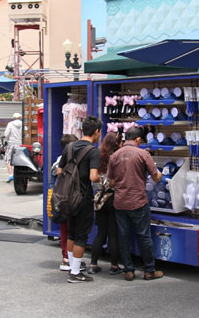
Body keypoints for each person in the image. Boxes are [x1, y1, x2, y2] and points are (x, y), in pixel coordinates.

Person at [107, 127, 163, 281]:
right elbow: (156, 177)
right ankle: (149, 271)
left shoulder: (114, 156)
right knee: (144, 236)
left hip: (120, 202)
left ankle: (129, 271)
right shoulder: (143, 154)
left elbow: (111, 182)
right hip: (138, 201)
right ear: (138, 139)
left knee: (123, 237)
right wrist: (160, 173)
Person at [57, 115, 101, 283]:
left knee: (72, 233)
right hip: (83, 198)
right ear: (96, 131)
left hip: (67, 197)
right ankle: (75, 273)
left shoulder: (69, 147)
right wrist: (101, 179)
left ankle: (71, 265)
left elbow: (60, 171)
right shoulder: (93, 151)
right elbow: (93, 176)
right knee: (81, 235)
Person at [88, 131, 122, 276]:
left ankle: (93, 264)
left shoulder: (99, 156)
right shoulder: (118, 157)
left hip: (100, 199)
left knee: (101, 232)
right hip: (113, 197)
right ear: (116, 143)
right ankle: (114, 266)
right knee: (113, 233)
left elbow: (94, 178)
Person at [51, 134, 79, 272]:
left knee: (64, 231)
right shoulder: (70, 162)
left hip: (60, 201)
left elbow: (52, 181)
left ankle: (66, 258)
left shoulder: (58, 162)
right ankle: (69, 259)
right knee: (72, 231)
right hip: (70, 201)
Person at [4, 113, 23, 183]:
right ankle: (18, 174)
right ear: (20, 117)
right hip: (20, 144)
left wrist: (8, 139)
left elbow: (6, 134)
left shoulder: (10, 124)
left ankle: (10, 174)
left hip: (11, 143)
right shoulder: (23, 124)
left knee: (8, 159)